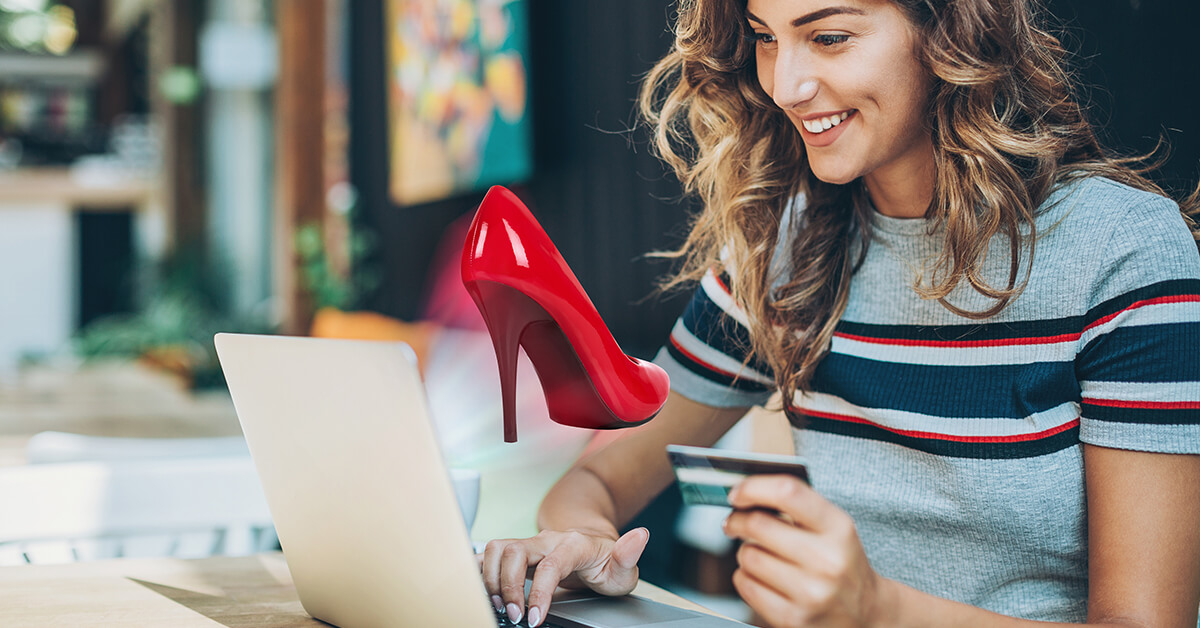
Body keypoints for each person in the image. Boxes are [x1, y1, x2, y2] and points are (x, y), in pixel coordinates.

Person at [476, 0, 1200, 625]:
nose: (786, 84)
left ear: (947, 31)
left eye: (828, 37)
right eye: (765, 36)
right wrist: (583, 541)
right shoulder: (782, 251)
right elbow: (593, 481)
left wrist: (880, 613)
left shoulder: (1122, 251)